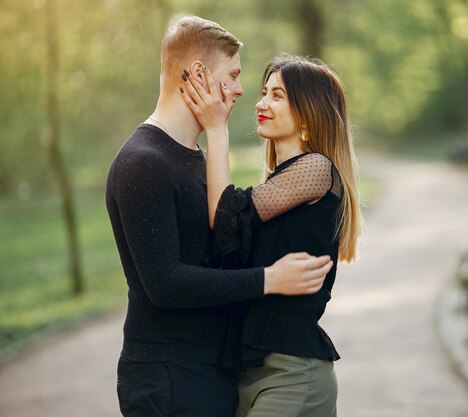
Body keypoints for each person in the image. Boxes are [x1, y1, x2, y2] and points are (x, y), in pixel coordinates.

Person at [105, 17, 334, 417]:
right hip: (169, 375)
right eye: (233, 75)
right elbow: (165, 284)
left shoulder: (192, 160)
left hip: (213, 371)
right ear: (198, 75)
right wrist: (268, 280)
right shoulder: (144, 161)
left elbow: (227, 230)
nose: (242, 91)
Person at [180, 54, 363, 416]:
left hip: (293, 374)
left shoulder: (316, 168)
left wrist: (216, 130)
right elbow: (228, 241)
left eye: (277, 95)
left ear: (309, 112)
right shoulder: (277, 187)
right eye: (264, 93)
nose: (261, 103)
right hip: (253, 372)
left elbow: (226, 217)